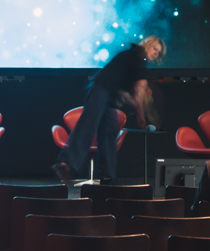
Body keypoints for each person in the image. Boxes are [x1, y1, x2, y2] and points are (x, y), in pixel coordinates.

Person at [55, 34, 163, 184]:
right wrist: (141, 117)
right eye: (155, 49)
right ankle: (64, 163)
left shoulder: (134, 57)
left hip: (110, 94)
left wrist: (141, 113)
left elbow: (126, 95)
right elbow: (139, 91)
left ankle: (107, 176)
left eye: (159, 52)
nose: (156, 53)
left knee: (109, 132)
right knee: (88, 125)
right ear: (148, 45)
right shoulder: (138, 57)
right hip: (101, 88)